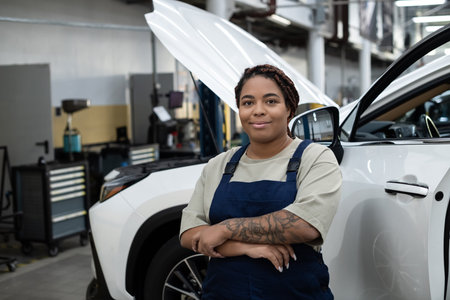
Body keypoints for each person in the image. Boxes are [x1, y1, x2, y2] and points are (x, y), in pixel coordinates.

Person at [180, 64, 342, 299]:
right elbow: (190, 234)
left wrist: (225, 229)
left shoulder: (315, 158)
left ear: (289, 109)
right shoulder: (220, 165)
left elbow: (303, 225)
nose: (258, 111)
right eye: (248, 103)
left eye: (271, 101)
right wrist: (248, 248)